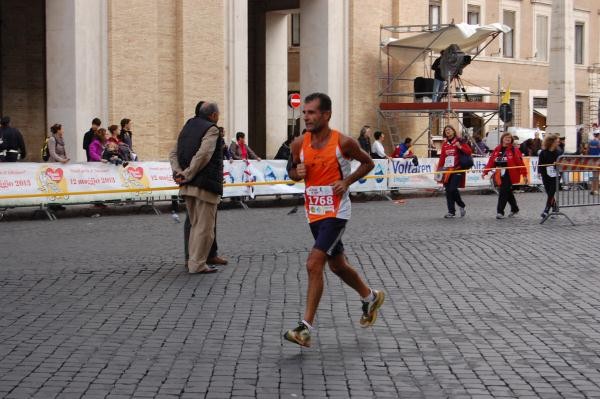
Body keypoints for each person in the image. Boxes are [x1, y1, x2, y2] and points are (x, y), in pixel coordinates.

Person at [283, 92, 385, 348]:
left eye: (312, 112)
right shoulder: (298, 144)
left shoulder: (344, 142)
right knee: (337, 265)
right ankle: (370, 296)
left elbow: (368, 162)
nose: (306, 117)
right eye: (304, 112)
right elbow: (292, 171)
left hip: (337, 212)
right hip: (313, 212)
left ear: (326, 115)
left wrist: (346, 181)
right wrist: (298, 172)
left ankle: (305, 328)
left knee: (313, 263)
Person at [169, 102, 223, 274]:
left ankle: (192, 260)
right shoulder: (212, 129)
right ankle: (198, 264)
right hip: (204, 184)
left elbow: (173, 153)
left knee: (194, 225)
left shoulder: (187, 127)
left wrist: (179, 172)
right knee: (205, 228)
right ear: (213, 115)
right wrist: (188, 173)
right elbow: (204, 155)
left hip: (187, 186)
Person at [482, 132, 527, 219]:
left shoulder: (514, 150)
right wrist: (485, 172)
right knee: (507, 191)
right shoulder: (497, 149)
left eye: (509, 138)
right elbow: (491, 161)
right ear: (502, 139)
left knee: (503, 191)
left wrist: (524, 175)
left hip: (510, 173)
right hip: (499, 172)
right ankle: (515, 208)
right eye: (506, 137)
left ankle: (500, 212)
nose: (508, 139)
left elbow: (520, 163)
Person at [436, 125, 471, 218]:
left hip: (458, 169)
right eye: (446, 130)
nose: (447, 131)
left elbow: (469, 151)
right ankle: (451, 211)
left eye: (449, 129)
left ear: (453, 131)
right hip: (447, 170)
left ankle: (461, 204)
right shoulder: (445, 144)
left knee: (452, 189)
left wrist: (460, 147)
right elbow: (442, 158)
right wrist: (439, 171)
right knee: (448, 191)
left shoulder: (459, 141)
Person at [538, 134, 561, 217]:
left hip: (556, 175)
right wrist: (539, 173)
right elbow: (540, 163)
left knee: (551, 192)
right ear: (551, 142)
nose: (558, 143)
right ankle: (555, 207)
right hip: (546, 175)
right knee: (548, 192)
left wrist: (556, 164)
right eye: (556, 142)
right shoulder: (543, 153)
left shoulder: (559, 152)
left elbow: (561, 163)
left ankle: (546, 210)